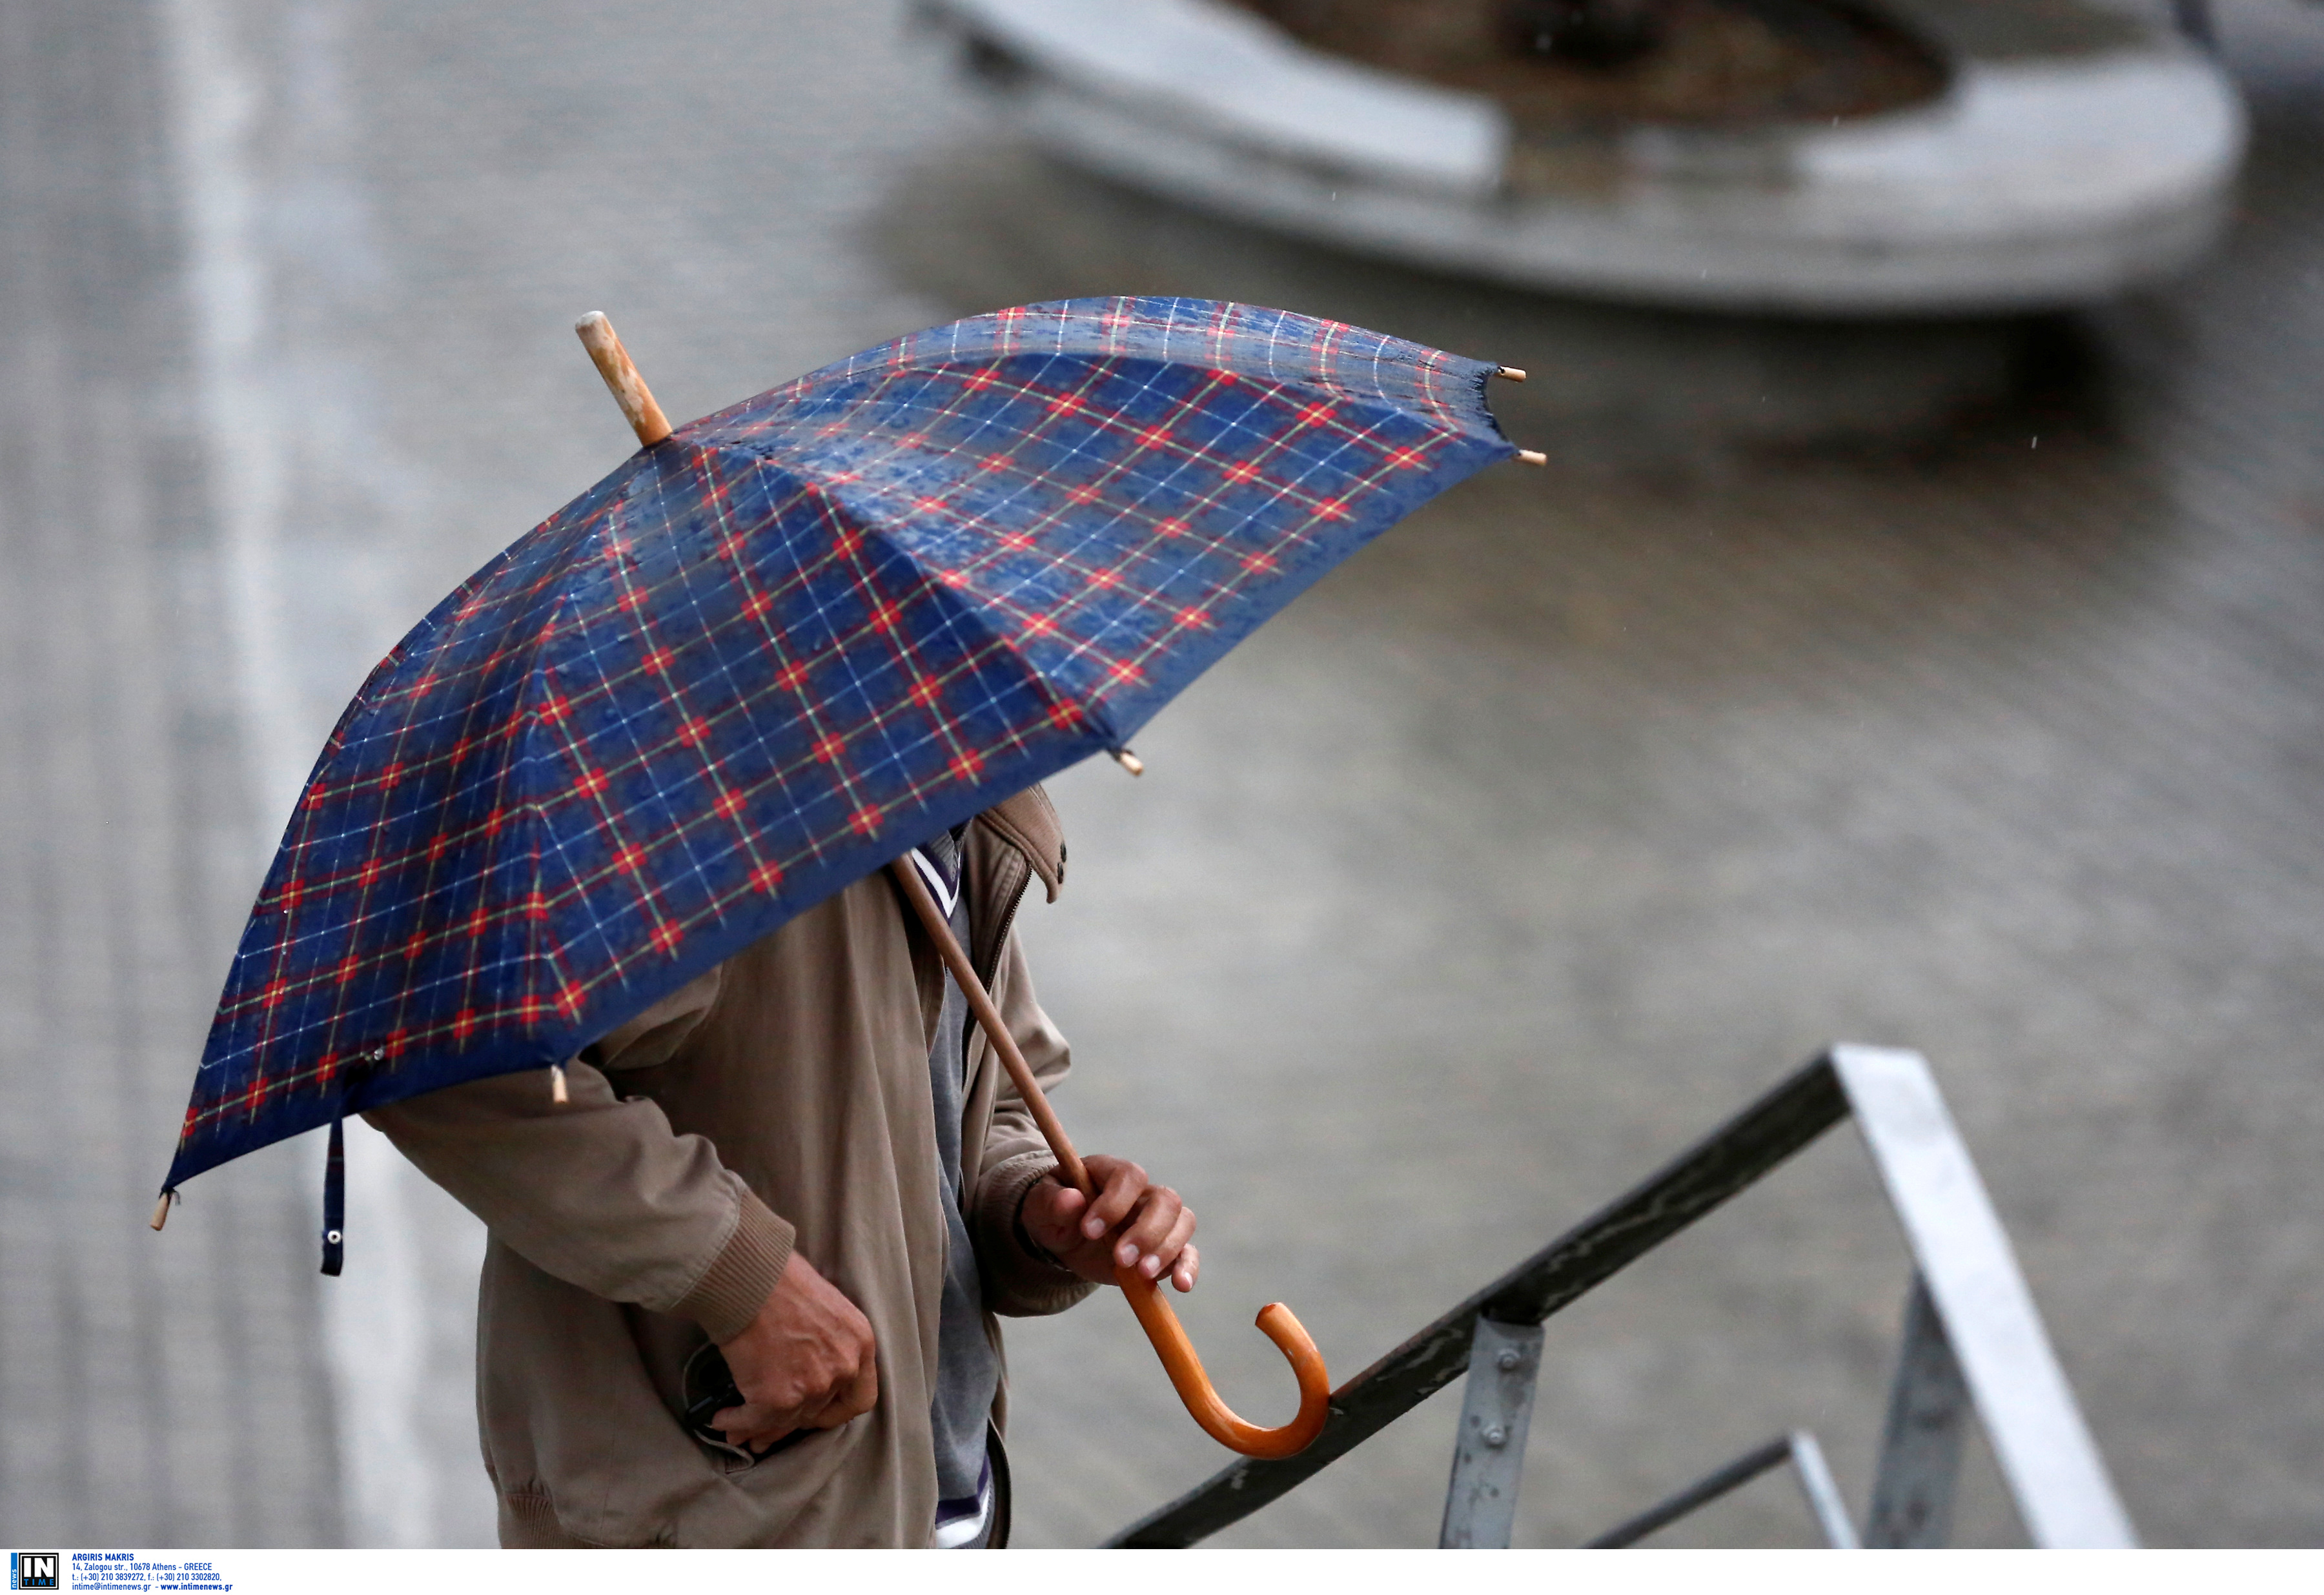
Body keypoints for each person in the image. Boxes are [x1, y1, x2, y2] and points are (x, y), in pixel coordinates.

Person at [365, 786, 1196, 1547]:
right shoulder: (677, 798)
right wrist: (742, 1275)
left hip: (936, 1500)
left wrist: (1038, 1214)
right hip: (715, 1516)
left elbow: (970, 1108)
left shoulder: (965, 802)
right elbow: (439, 1051)